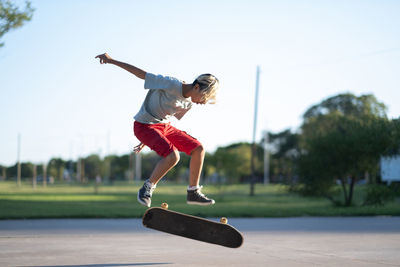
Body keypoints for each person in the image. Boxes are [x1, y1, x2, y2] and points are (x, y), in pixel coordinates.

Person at [95, 53, 219, 207]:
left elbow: (164, 115)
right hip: (144, 125)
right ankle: (147, 188)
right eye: (204, 97)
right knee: (173, 156)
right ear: (196, 87)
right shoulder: (171, 84)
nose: (203, 102)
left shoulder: (189, 103)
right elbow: (141, 74)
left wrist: (148, 141)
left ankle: (193, 192)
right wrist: (111, 61)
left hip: (163, 127)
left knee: (198, 148)